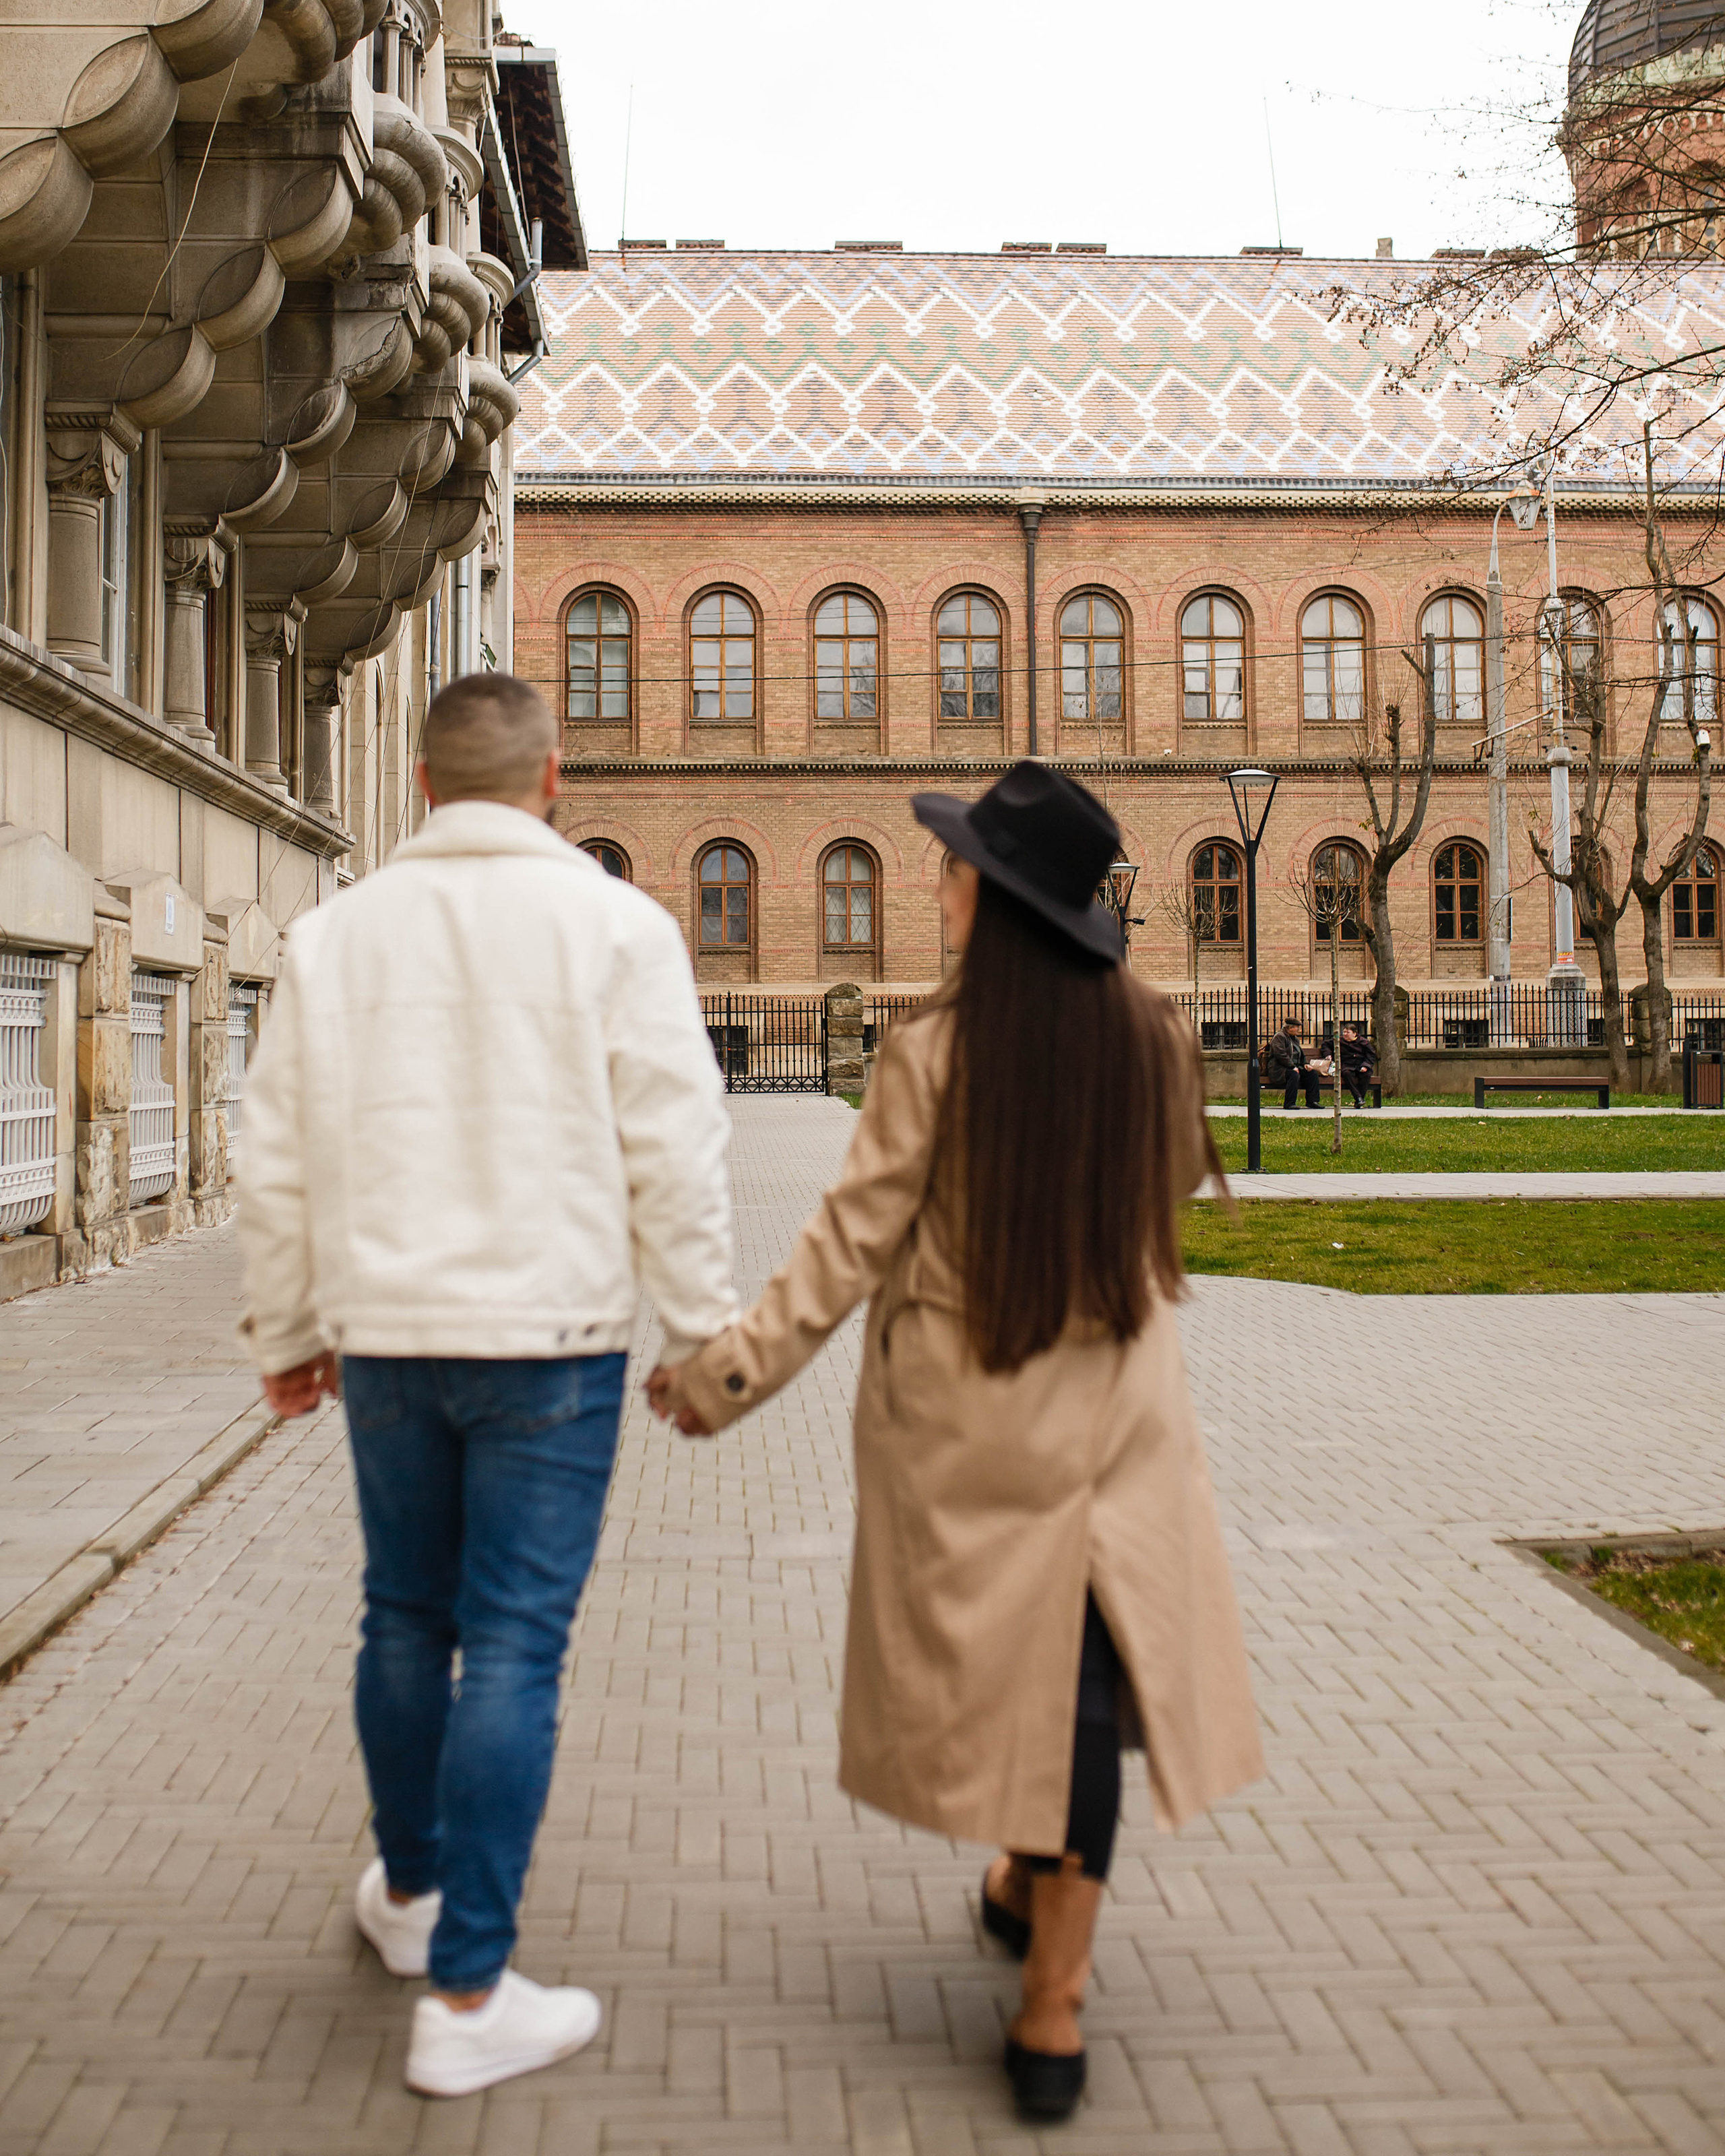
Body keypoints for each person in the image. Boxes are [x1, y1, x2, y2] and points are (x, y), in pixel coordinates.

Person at [648, 761, 1263, 2127]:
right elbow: (1157, 1200)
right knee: (1080, 1689)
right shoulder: (1153, 1038)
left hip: (971, 1426)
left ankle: (1046, 1974)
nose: (936, 883)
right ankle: (1048, 1988)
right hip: (1115, 1421)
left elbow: (847, 1248)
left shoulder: (929, 1053)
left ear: (992, 897)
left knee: (1028, 1678)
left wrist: (722, 1375)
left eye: (952, 866)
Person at [237, 672, 739, 2099]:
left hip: (389, 1335)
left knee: (403, 1617)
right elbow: (678, 1147)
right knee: (513, 1645)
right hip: (554, 1341)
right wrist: (699, 1335)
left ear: (417, 783)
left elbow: (272, 1151)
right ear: (553, 780)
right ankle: (467, 1991)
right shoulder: (617, 931)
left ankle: (409, 1899)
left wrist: (287, 1330)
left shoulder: (332, 941)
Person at [1263, 1016, 1321, 1108]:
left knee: (1312, 1074)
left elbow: (1300, 1054)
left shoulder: (1294, 1039)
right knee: (1294, 1075)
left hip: (1294, 1067)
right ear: (1290, 1028)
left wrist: (1305, 1064)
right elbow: (1280, 1055)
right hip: (1279, 1069)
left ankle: (1312, 1101)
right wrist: (1292, 1066)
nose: (1298, 1030)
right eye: (1297, 1027)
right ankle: (1289, 1103)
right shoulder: (1279, 1037)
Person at [1340, 1022, 1377, 1109]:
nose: (1345, 1034)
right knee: (1347, 1074)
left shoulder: (1364, 1042)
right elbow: (1326, 1044)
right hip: (1347, 1066)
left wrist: (1366, 1066)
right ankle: (1359, 1098)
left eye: (1348, 1032)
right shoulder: (1340, 1041)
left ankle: (1360, 1100)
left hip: (1361, 1065)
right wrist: (1328, 1054)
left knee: (1366, 1075)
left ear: (1354, 1034)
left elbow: (1371, 1055)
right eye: (1344, 1032)